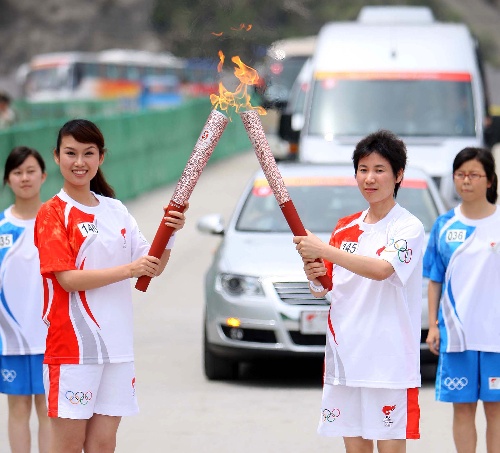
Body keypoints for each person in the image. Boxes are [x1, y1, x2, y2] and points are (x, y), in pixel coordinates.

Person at [33, 118, 187, 453]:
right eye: (70, 153)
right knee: (68, 446)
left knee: (103, 445)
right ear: (56, 157)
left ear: (101, 157)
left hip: (116, 349)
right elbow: (68, 279)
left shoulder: (116, 210)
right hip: (74, 349)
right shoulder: (53, 214)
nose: (79, 162)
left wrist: (170, 232)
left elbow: (153, 267)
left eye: (88, 153)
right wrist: (129, 269)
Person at [293, 130, 425, 453]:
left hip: (388, 361)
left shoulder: (408, 227)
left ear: (398, 175)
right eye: (363, 169)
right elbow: (326, 287)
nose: (370, 178)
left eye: (379, 170)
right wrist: (314, 272)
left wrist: (324, 249)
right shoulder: (344, 227)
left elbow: (382, 270)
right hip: (346, 357)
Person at [424, 147, 500, 453]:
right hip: (458, 337)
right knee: (463, 409)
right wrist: (432, 325)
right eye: (460, 175)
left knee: (495, 411)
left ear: (490, 181)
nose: (466, 181)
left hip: (496, 336)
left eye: (474, 175)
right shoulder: (444, 225)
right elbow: (434, 279)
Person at [0, 146, 50, 453]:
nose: (25, 178)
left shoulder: (57, 222)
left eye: (31, 171)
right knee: (17, 410)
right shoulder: (1, 228)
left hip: (50, 337)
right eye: (17, 172)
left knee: (48, 411)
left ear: (43, 176)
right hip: (10, 340)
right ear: (8, 181)